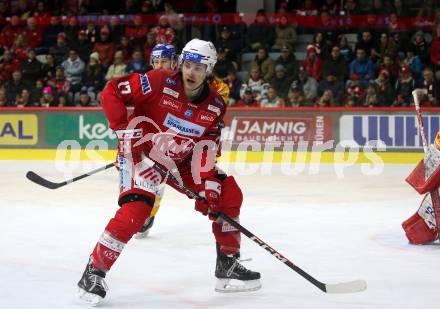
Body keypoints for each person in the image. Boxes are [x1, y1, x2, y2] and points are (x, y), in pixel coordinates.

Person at [77, 39, 261, 305]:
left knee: (228, 192)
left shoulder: (215, 105)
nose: (191, 72)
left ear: (208, 69)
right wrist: (122, 128)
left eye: (198, 67)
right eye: (187, 65)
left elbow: (207, 146)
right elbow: (111, 91)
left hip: (181, 160)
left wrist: (208, 184)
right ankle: (94, 272)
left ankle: (228, 264)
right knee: (137, 211)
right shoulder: (158, 81)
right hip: (140, 154)